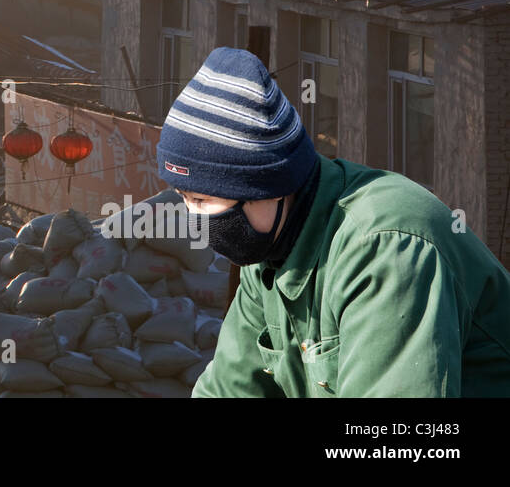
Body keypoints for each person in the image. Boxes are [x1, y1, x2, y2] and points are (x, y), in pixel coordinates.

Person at [157, 46, 510, 397]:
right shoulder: (269, 248)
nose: (194, 217)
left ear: (267, 187)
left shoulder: (385, 248)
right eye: (185, 198)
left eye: (202, 200)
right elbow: (230, 389)